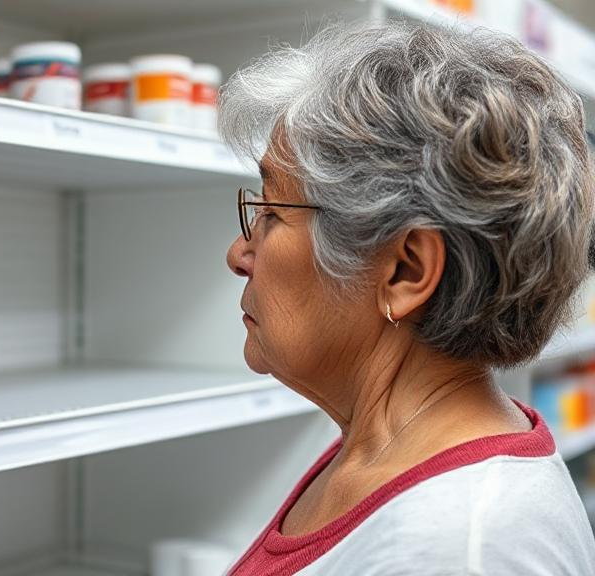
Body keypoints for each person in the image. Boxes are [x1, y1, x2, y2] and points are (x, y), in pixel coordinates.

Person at [221, 20, 595, 575]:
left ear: (406, 270)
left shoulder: (463, 549)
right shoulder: (383, 447)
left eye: (274, 212)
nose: (238, 254)